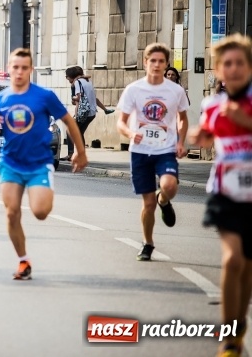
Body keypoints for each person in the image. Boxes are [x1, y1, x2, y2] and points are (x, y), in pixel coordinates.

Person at [0, 48, 88, 280]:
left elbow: (69, 121)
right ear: (8, 69)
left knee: (40, 212)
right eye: (15, 67)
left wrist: (80, 152)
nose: (19, 72)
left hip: (39, 163)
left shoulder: (44, 96)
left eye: (24, 68)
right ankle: (23, 262)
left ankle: (43, 192)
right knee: (11, 214)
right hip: (10, 163)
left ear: (30, 70)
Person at [188, 34, 252, 357]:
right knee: (233, 257)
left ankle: (239, 327)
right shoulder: (212, 104)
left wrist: (246, 120)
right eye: (227, 63)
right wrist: (200, 136)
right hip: (225, 190)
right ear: (218, 70)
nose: (234, 68)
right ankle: (229, 336)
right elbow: (207, 136)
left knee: (248, 266)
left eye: (240, 62)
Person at [116, 43, 189, 262]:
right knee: (147, 204)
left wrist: (181, 141)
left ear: (166, 63)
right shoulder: (134, 90)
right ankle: (148, 243)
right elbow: (120, 121)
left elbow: (182, 118)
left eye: (161, 61)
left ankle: (164, 200)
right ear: (145, 62)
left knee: (169, 186)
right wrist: (130, 133)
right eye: (152, 61)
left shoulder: (175, 91)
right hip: (140, 151)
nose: (157, 65)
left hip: (165, 149)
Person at [62, 66, 114, 161]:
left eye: (67, 77)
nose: (67, 79)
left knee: (69, 131)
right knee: (79, 133)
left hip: (84, 113)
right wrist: (105, 109)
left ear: (71, 76)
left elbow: (78, 100)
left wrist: (76, 114)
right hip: (92, 113)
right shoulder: (88, 81)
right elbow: (95, 98)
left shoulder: (78, 83)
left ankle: (71, 154)